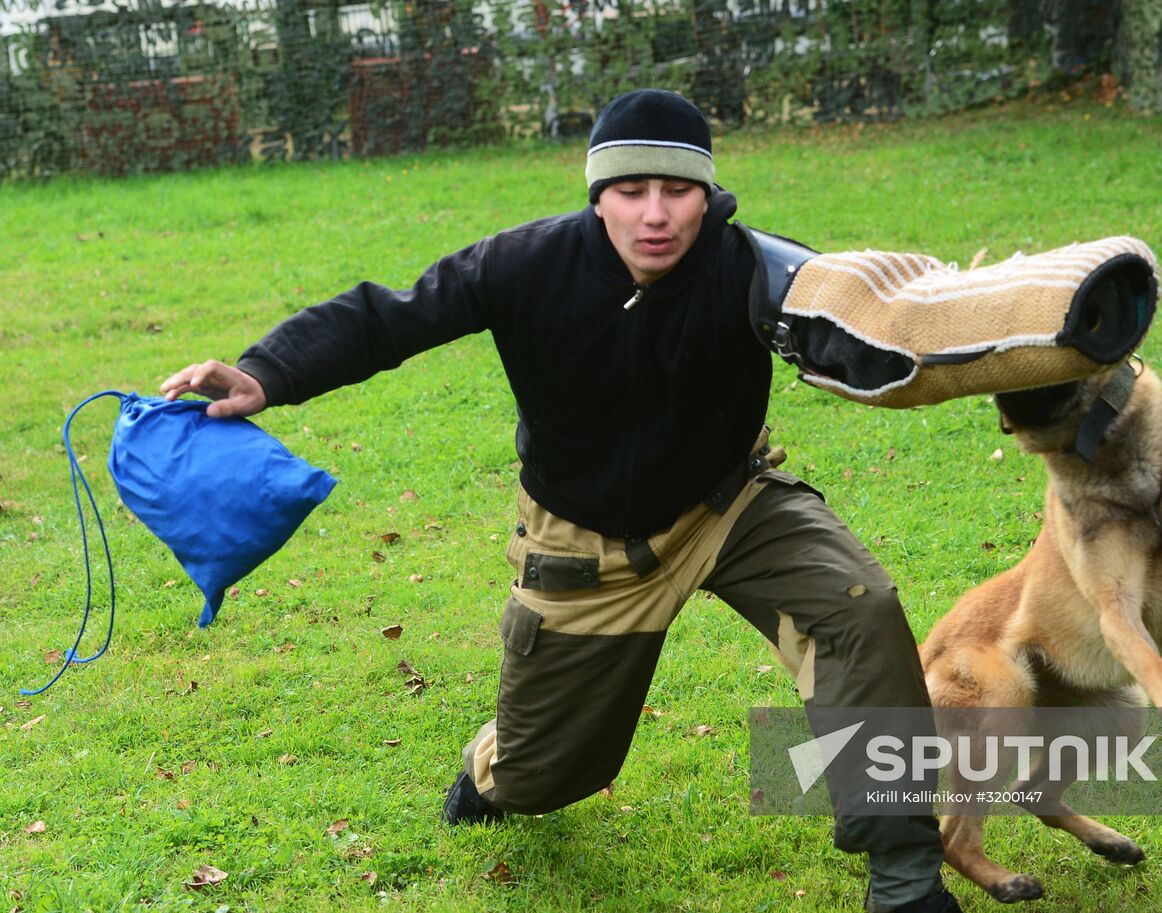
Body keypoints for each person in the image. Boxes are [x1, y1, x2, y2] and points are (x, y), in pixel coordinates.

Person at [161, 89, 960, 913]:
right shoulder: (525, 263)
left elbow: (877, 318)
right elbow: (392, 318)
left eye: (678, 190)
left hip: (730, 504)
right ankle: (493, 767)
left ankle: (905, 877)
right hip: (586, 544)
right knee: (543, 774)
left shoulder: (752, 267)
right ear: (598, 196)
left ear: (709, 195)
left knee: (858, 608)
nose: (656, 214)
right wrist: (268, 372)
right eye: (631, 190)